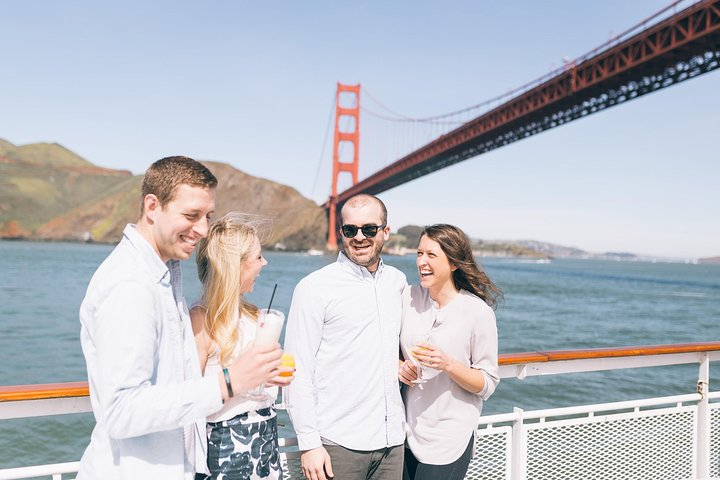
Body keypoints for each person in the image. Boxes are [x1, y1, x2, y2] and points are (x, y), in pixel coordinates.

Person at [78, 156, 287, 479]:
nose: (203, 230)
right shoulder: (130, 284)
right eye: (191, 216)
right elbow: (120, 411)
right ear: (152, 206)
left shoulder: (164, 273)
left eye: (208, 216)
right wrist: (229, 381)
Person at [284, 193, 407, 480]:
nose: (360, 237)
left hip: (393, 443)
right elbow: (296, 368)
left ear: (386, 232)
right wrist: (309, 443)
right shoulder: (314, 287)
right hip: (337, 443)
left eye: (370, 229)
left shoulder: (398, 283)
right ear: (341, 232)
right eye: (350, 230)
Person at [190, 212, 293, 479]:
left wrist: (273, 373)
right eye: (258, 257)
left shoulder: (252, 315)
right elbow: (189, 397)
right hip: (225, 446)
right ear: (235, 266)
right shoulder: (201, 320)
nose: (264, 262)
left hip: (266, 438)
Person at [398, 224, 501, 480]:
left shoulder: (477, 312)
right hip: (406, 432)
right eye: (419, 253)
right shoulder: (407, 298)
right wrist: (399, 365)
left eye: (431, 255)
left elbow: (487, 383)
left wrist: (448, 364)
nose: (422, 261)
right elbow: (384, 345)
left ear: (454, 263)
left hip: (450, 438)